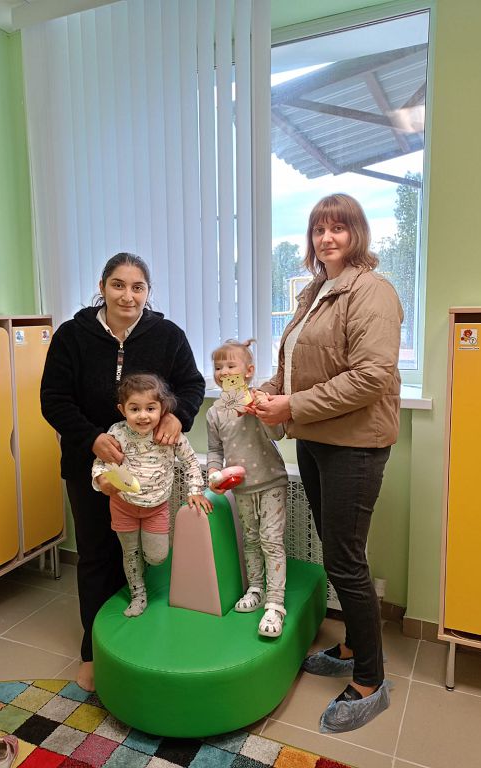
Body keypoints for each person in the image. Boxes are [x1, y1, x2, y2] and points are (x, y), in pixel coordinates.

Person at [249, 194, 403, 732]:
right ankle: (355, 646)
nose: (326, 238)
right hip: (315, 438)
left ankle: (371, 680)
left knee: (344, 560)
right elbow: (296, 364)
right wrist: (264, 393)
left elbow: (371, 376)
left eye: (338, 228)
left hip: (354, 445)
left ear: (357, 234)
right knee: (340, 552)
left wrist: (290, 405)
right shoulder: (316, 290)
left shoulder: (372, 291)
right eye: (319, 229)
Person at [40, 252, 205, 691]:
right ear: (102, 287)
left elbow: (192, 385)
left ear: (148, 292)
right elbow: (53, 399)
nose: (127, 295)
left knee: (148, 554)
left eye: (137, 287)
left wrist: (178, 416)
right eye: (118, 285)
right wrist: (91, 438)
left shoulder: (168, 335)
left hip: (150, 473)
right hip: (90, 466)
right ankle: (95, 651)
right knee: (98, 554)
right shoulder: (72, 335)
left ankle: (139, 642)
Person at [92, 373, 212, 618]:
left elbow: (191, 462)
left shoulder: (170, 434)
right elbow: (101, 463)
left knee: (157, 557)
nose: (143, 415)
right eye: (134, 409)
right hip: (123, 505)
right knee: (130, 553)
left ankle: (145, 566)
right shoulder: (117, 432)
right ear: (122, 409)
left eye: (150, 408)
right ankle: (138, 595)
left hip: (156, 508)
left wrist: (195, 491)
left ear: (162, 408)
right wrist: (101, 479)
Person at [206, 339, 289, 637]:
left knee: (271, 541)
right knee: (251, 539)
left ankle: (275, 603)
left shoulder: (260, 399)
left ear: (249, 371)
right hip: (241, 488)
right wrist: (213, 473)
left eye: (231, 365)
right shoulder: (215, 412)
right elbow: (215, 450)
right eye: (218, 367)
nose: (223, 372)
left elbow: (278, 433)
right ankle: (255, 588)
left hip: (271, 482)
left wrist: (260, 410)